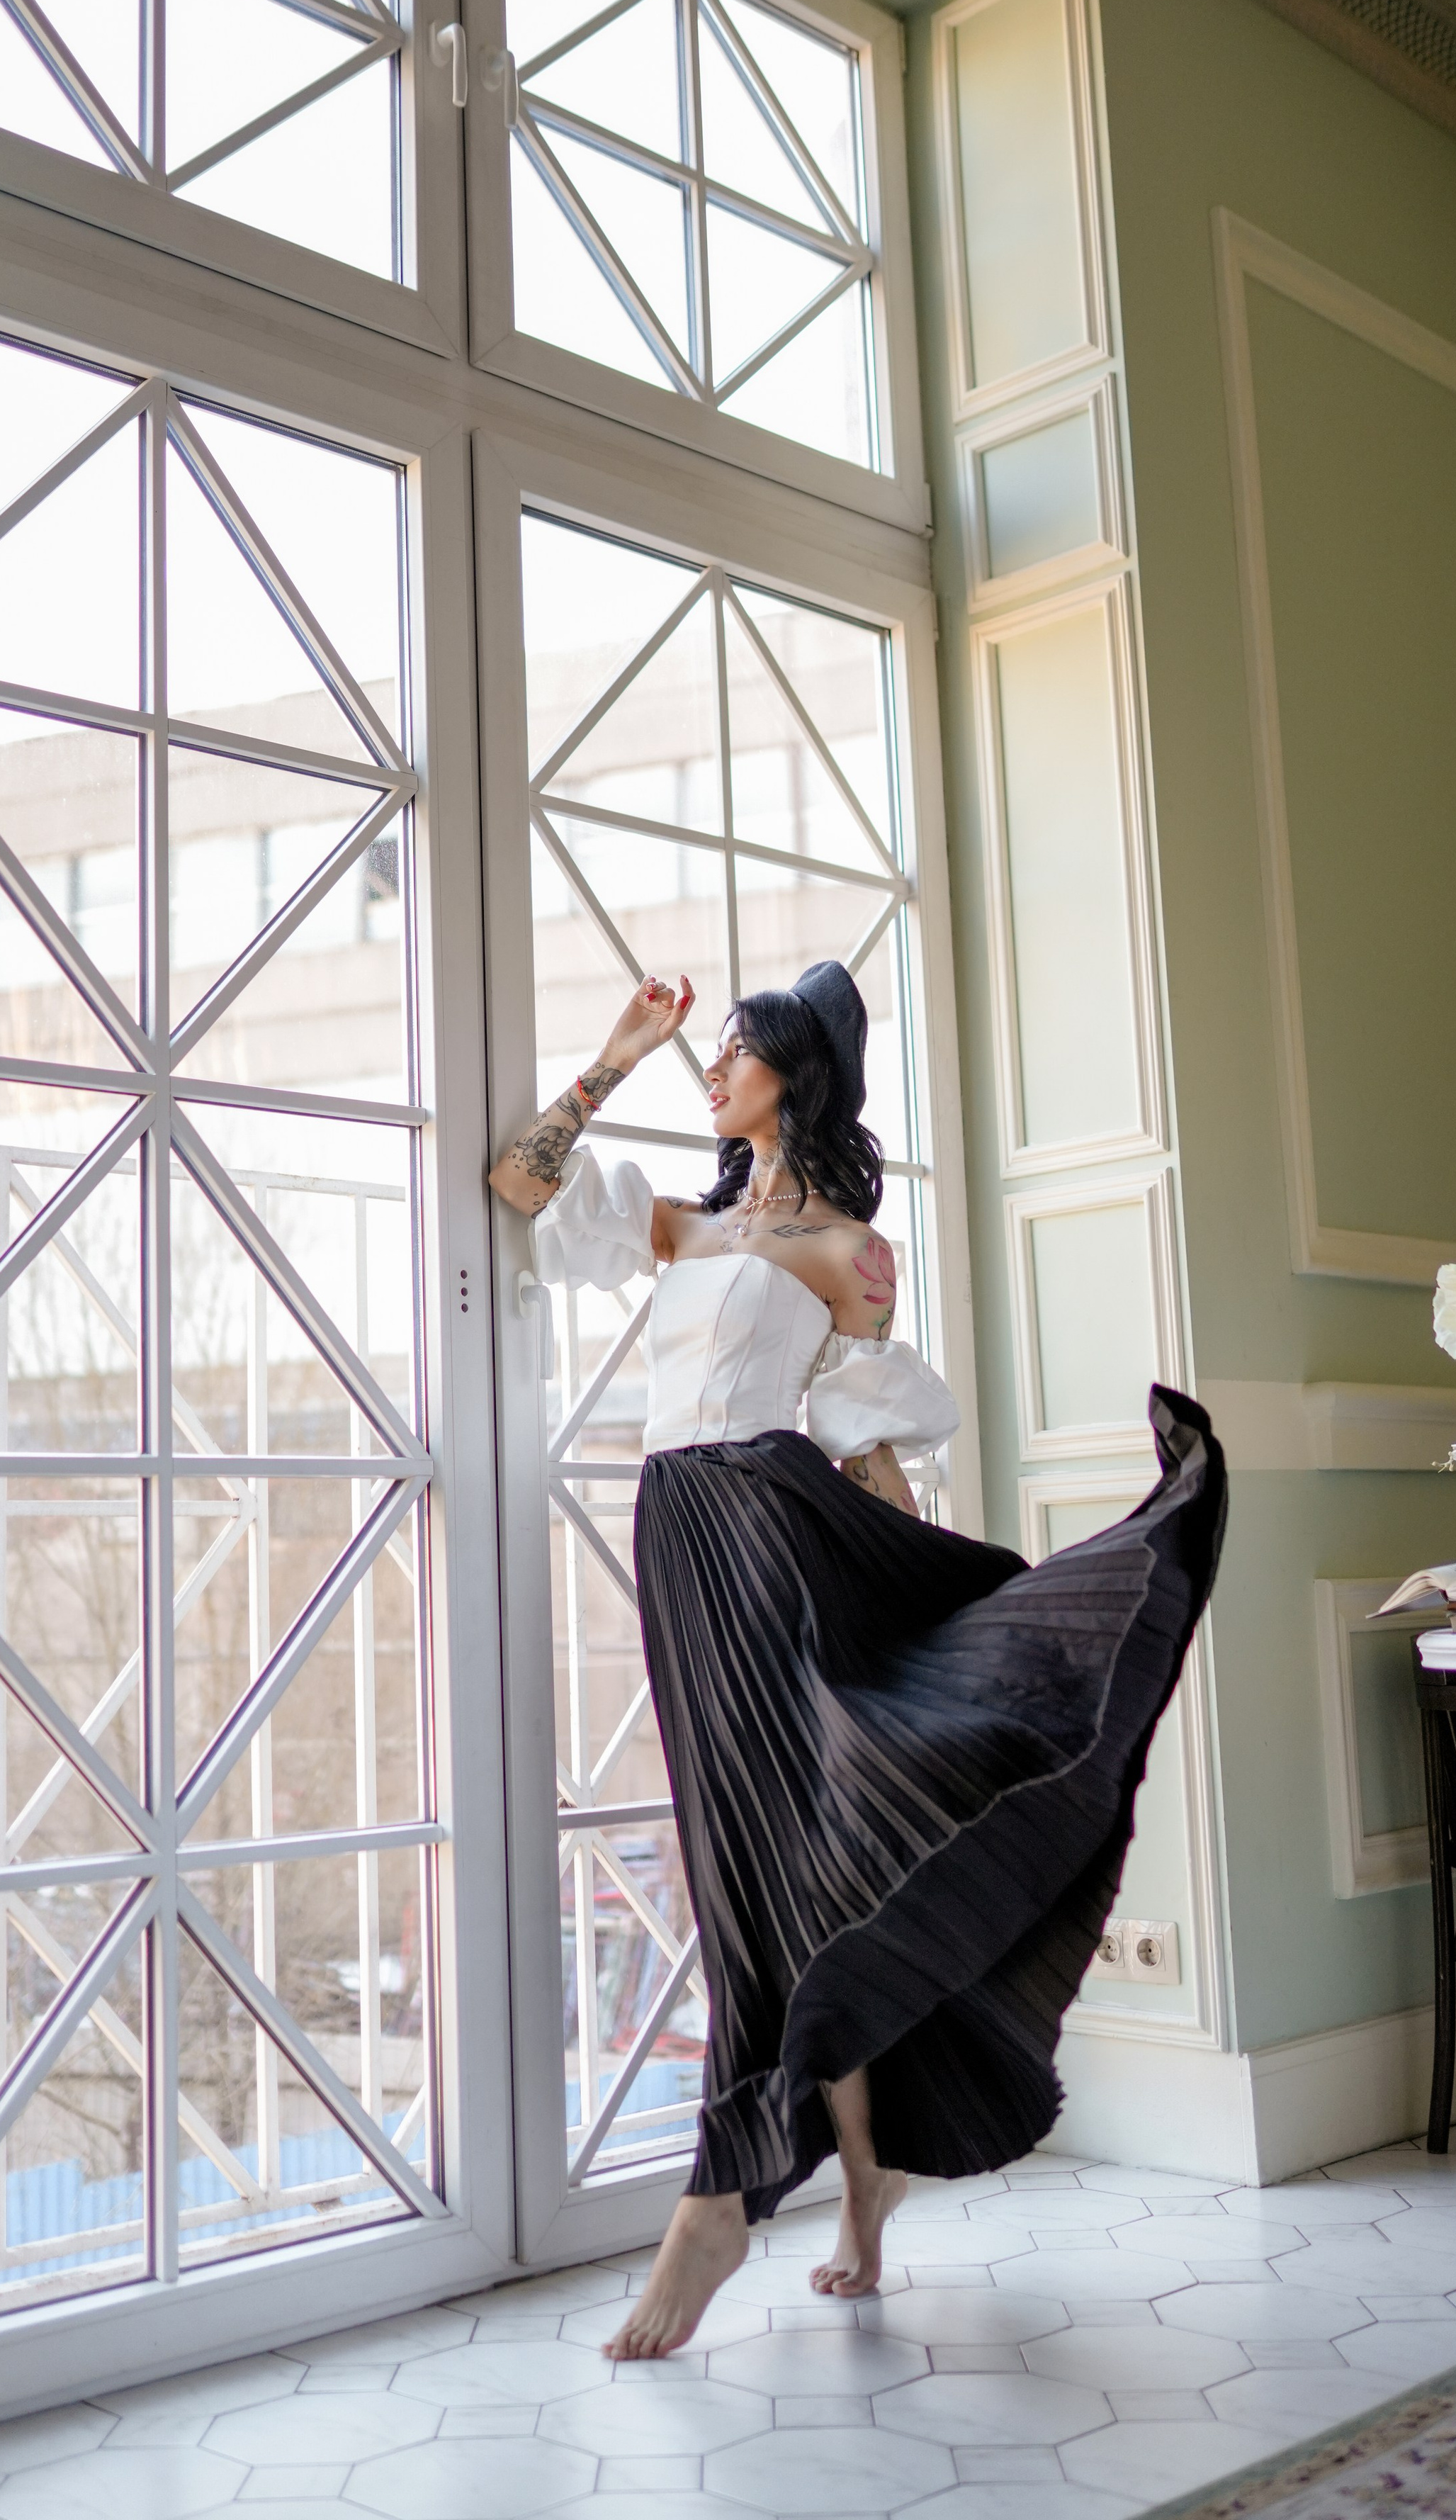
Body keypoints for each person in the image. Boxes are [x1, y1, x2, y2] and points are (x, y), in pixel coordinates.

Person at [490, 962, 1226, 2361]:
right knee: (751, 1870)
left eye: (733, 1053)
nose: (710, 1074)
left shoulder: (847, 1249)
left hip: (776, 1526)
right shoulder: (686, 1225)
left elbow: (866, 1438)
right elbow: (521, 1186)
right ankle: (859, 2185)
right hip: (679, 1538)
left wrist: (938, 1607)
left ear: (797, 1070)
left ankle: (725, 2207)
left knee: (793, 1871)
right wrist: (616, 1052)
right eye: (702, 1055)